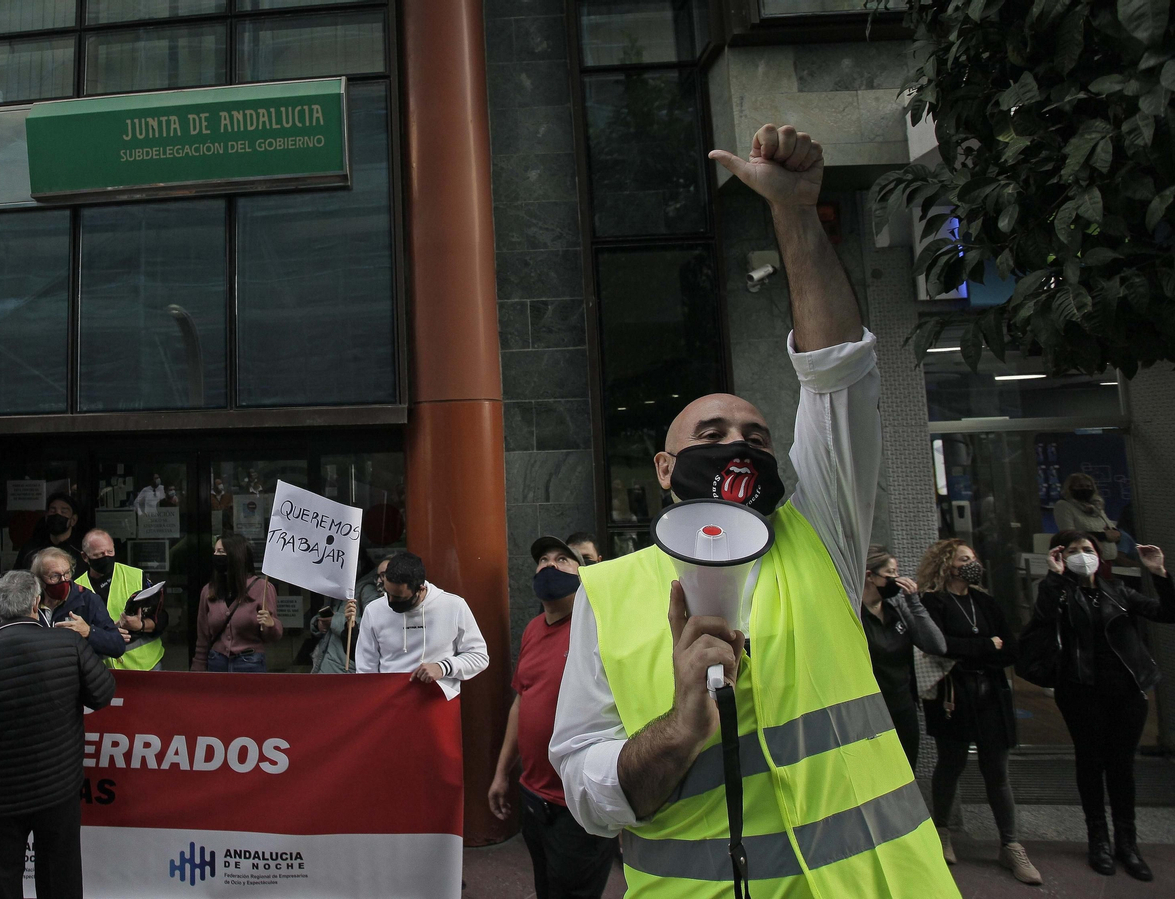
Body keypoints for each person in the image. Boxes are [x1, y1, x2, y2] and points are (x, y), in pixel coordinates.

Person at [550, 123, 959, 899]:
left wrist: (796, 215)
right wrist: (676, 730)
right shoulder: (608, 594)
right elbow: (586, 784)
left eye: (756, 436)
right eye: (711, 435)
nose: (739, 444)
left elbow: (838, 372)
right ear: (666, 470)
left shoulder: (822, 538)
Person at [0, 571, 116, 899]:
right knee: (61, 877)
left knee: (2, 880)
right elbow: (102, 694)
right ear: (36, 603)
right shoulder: (69, 644)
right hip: (57, 786)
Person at [1033, 531, 1171, 881]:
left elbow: (1168, 613)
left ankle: (1128, 843)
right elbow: (1043, 617)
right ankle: (1099, 840)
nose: (1083, 555)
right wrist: (1054, 574)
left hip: (1126, 691)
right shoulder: (1060, 592)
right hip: (1080, 691)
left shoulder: (1119, 591)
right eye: (1075, 550)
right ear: (1063, 556)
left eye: (1088, 549)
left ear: (1099, 555)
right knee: (1091, 761)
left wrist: (1158, 573)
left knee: (1122, 764)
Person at [490, 537, 614, 899]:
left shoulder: (601, 628)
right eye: (542, 559)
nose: (549, 565)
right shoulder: (532, 629)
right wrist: (502, 773)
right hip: (534, 798)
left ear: (584, 571)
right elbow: (521, 701)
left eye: (563, 559)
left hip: (579, 803)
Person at [917, 538, 1039, 884]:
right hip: (953, 695)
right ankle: (942, 830)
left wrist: (974, 650)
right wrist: (986, 645)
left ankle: (1010, 843)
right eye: (964, 558)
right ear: (947, 563)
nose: (972, 564)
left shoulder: (984, 602)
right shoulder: (933, 601)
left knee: (997, 771)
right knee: (950, 763)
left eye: (973, 558)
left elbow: (1010, 649)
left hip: (991, 695)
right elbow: (938, 645)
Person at [354, 551, 488, 700]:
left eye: (399, 597)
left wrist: (443, 667)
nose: (390, 601)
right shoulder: (374, 610)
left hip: (437, 700)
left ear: (420, 589)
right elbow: (366, 667)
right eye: (387, 593)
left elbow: (479, 656)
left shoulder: (453, 606)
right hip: (389, 700)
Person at [861, 546, 945, 770]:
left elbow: (936, 645)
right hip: (868, 710)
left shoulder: (895, 607)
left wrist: (914, 602)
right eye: (891, 573)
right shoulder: (851, 611)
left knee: (906, 772)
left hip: (903, 705)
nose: (897, 579)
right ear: (870, 576)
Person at [75, 529, 164, 670]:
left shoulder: (135, 576)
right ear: (85, 557)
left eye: (110, 552)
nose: (106, 557)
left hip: (145, 666)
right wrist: (103, 635)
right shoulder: (76, 588)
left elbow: (162, 618)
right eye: (98, 554)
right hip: (101, 670)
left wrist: (140, 625)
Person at [192, 535, 281, 672]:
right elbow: (202, 637)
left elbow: (273, 637)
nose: (216, 556)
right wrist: (198, 667)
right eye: (215, 551)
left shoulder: (262, 589)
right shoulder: (209, 591)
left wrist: (271, 625)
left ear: (235, 555)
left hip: (250, 663)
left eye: (221, 552)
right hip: (216, 662)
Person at [32, 547, 126, 661]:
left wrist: (89, 632)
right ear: (40, 580)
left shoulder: (89, 600)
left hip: (77, 675)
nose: (64, 580)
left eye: (67, 573)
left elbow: (118, 646)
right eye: (55, 576)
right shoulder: (29, 604)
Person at [310, 556, 384, 674]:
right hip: (329, 661)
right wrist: (318, 623)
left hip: (346, 664)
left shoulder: (367, 590)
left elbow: (374, 625)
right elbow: (326, 611)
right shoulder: (338, 587)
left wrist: (335, 621)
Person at [1054, 474, 1120, 561]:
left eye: (1088, 486)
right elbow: (1068, 535)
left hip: (1106, 561)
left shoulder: (1096, 507)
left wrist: (1116, 534)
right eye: (1080, 486)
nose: (1085, 489)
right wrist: (1103, 535)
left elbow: (1111, 527)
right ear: (1070, 488)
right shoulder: (1064, 505)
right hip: (1084, 560)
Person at [16, 493, 86, 573]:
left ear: (73, 520)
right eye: (53, 511)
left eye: (63, 512)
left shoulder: (82, 551)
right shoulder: (30, 549)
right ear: (46, 517)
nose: (57, 514)